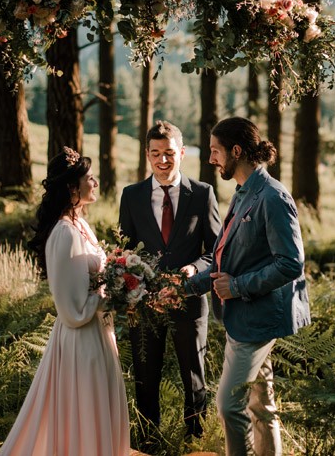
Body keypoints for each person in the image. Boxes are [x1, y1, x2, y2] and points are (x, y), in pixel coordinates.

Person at [187, 117, 311, 456]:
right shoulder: (243, 193)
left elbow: (290, 263)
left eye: (216, 151)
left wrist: (238, 287)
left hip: (256, 319)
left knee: (229, 406)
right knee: (261, 402)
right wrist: (183, 287)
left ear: (236, 151)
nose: (211, 159)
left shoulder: (272, 197)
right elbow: (223, 259)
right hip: (241, 315)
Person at [0, 147, 129, 456]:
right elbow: (72, 309)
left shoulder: (81, 226)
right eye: (90, 178)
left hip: (98, 334)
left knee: (98, 407)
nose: (95, 183)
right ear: (72, 187)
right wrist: (114, 293)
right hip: (80, 342)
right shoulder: (65, 234)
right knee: (84, 411)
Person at [118, 120, 221, 446]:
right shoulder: (131, 196)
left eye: (169, 153)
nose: (163, 160)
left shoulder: (202, 193)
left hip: (189, 302)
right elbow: (125, 250)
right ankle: (148, 441)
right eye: (155, 153)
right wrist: (133, 285)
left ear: (182, 152)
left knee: (193, 377)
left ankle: (196, 442)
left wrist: (194, 268)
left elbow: (216, 250)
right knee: (146, 377)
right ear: (148, 155)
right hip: (144, 304)